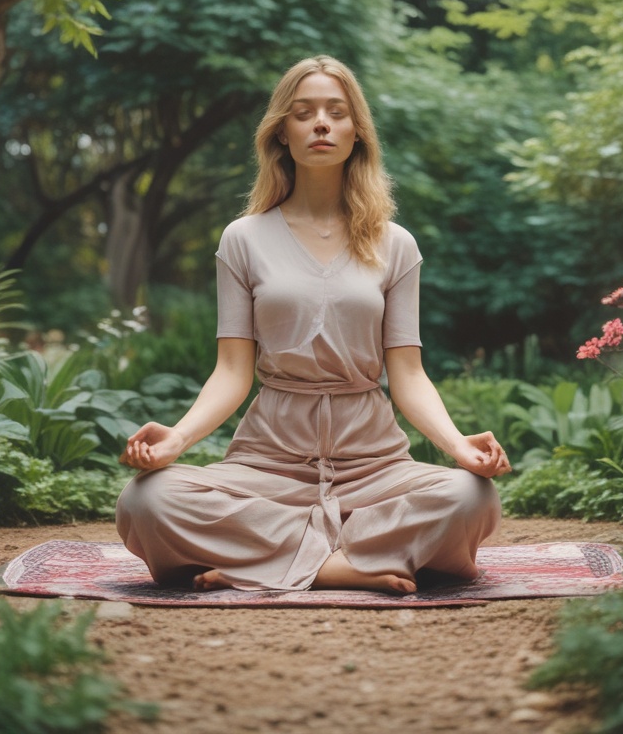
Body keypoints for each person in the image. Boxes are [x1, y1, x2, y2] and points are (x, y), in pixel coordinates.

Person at [116, 55, 510, 594]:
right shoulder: (243, 239)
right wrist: (175, 441)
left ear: (357, 133)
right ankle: (336, 565)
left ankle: (261, 561)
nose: (320, 123)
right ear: (282, 132)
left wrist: (457, 445)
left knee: (471, 498)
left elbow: (409, 374)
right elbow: (232, 371)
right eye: (303, 113)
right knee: (146, 500)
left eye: (335, 112)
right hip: (268, 464)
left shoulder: (396, 245)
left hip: (374, 467)